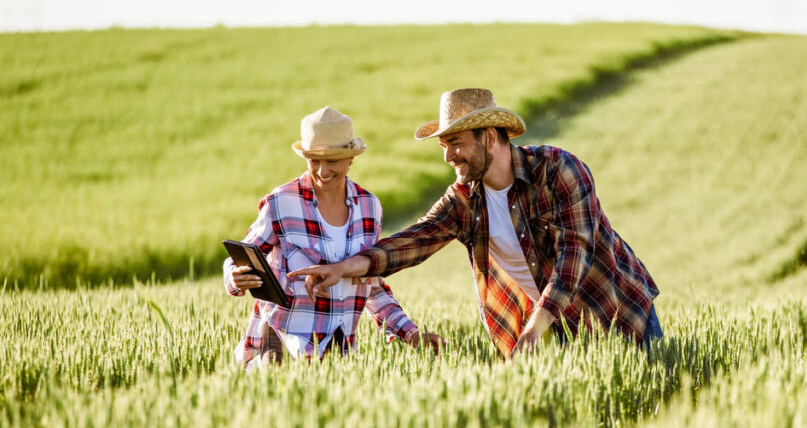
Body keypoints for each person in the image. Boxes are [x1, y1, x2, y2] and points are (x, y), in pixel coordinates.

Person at [289, 88, 661, 359]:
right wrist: (342, 268)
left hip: (615, 313)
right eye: (443, 146)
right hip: (550, 330)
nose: (448, 155)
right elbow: (411, 242)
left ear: (488, 137)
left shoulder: (558, 170)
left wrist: (533, 332)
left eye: (456, 143)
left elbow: (573, 258)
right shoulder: (464, 199)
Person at [224, 106, 443, 369]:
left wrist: (411, 334)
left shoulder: (369, 207)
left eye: (332, 160)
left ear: (351, 158)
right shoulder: (280, 203)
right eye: (314, 160)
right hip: (279, 351)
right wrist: (235, 277)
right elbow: (241, 256)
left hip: (338, 355)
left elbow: (371, 282)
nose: (322, 170)